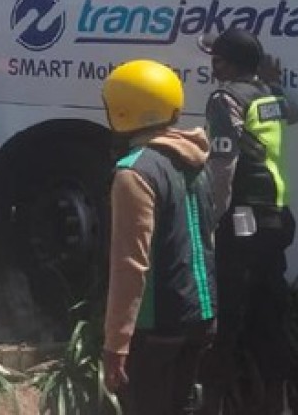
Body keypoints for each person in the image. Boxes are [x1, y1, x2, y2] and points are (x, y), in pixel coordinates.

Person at [100, 60, 216, 414]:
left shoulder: (134, 173)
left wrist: (116, 343)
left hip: (156, 325)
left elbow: (130, 264)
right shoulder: (197, 162)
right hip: (201, 314)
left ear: (121, 111)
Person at [198, 28, 298, 415]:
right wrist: (271, 83)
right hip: (276, 219)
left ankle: (212, 404)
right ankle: (277, 403)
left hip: (242, 219)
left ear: (226, 64)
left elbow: (223, 166)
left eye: (216, 59)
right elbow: (295, 113)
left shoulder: (225, 99)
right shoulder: (270, 97)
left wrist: (212, 217)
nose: (212, 65)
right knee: (270, 313)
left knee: (226, 316)